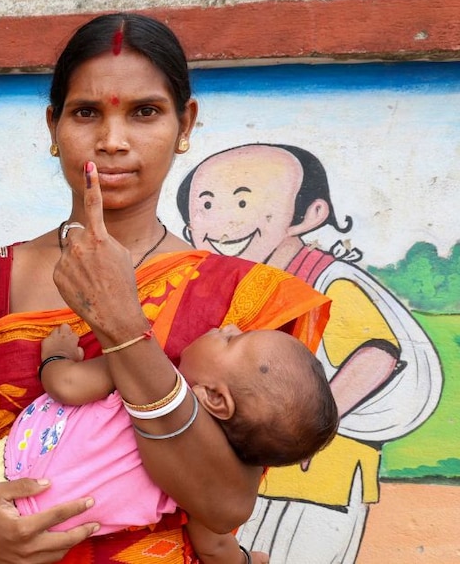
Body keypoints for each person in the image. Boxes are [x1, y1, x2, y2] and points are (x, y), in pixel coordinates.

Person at [0, 13, 331, 564]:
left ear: (186, 124)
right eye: (86, 113)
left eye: (145, 112)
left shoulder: (242, 300)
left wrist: (124, 328)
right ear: (54, 127)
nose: (113, 141)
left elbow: (223, 505)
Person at [176, 143, 443, 563]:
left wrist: (304, 432)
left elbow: (375, 353)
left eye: (243, 200)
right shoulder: (240, 286)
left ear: (310, 214)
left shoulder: (324, 281)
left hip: (319, 480)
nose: (224, 221)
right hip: (253, 480)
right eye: (206, 204)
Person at [0, 320, 338, 564]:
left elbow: (66, 385)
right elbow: (215, 549)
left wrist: (55, 357)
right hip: (34, 547)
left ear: (216, 398)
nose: (229, 326)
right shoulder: (207, 486)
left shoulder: (147, 376)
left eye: (234, 340)